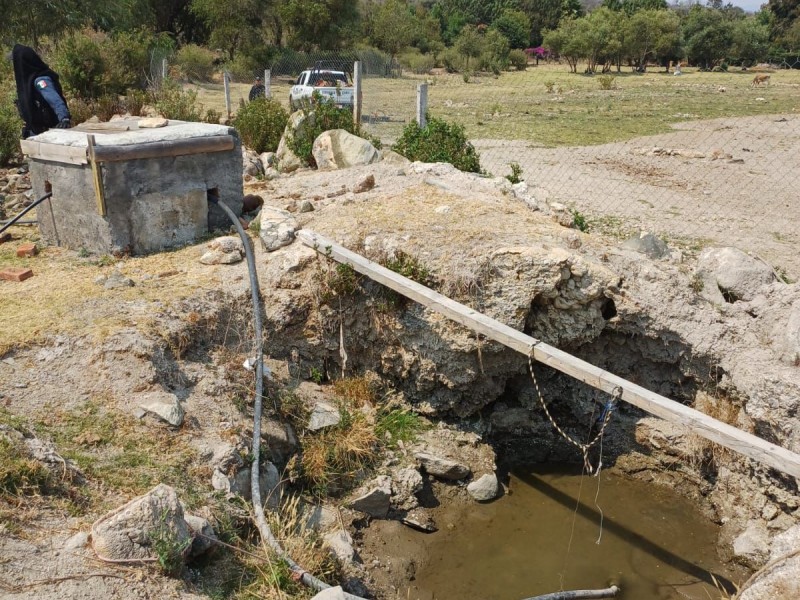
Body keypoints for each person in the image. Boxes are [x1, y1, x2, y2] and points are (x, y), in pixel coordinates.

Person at [11, 44, 71, 139]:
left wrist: (64, 118)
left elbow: (54, 99)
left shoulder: (40, 80)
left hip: (48, 132)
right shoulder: (28, 82)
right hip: (35, 131)